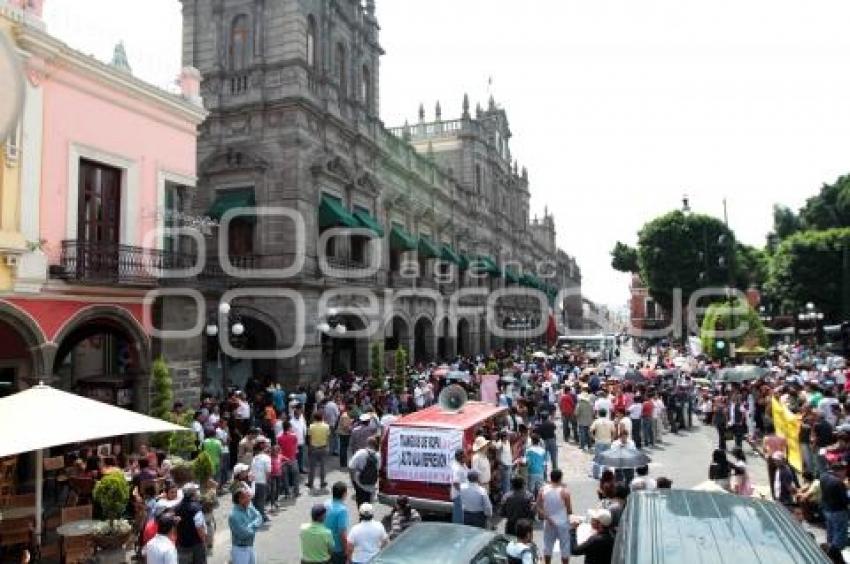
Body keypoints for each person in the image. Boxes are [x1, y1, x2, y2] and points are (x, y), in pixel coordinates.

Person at [537, 469, 572, 564]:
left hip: (549, 522)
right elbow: (569, 510)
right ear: (560, 478)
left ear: (550, 477)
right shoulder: (565, 492)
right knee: (565, 546)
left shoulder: (543, 489)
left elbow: (538, 506)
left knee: (547, 545)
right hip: (563, 522)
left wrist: (547, 517)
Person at [175, 484, 207, 563]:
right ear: (193, 493)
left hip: (182, 544)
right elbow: (199, 527)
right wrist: (204, 541)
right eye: (196, 491)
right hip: (196, 545)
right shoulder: (196, 508)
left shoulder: (177, 507)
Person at [228, 489, 263, 564]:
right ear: (238, 500)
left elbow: (259, 517)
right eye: (244, 497)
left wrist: (250, 526)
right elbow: (244, 534)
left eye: (248, 497)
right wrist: (255, 526)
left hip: (250, 547)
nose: (248, 499)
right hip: (240, 551)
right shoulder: (233, 515)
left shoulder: (249, 508)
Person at [820, 461, 849, 552]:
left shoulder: (823, 476)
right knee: (840, 533)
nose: (845, 474)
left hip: (827, 509)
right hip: (838, 511)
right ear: (839, 471)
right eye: (844, 472)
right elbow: (845, 500)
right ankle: (834, 552)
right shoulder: (838, 483)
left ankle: (829, 544)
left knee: (830, 529)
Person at [349, 437, 380, 507]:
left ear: (367, 443)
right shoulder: (378, 455)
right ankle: (368, 515)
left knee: (360, 503)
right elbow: (379, 469)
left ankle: (361, 515)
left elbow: (351, 467)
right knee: (369, 505)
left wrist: (353, 481)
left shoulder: (360, 453)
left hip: (359, 483)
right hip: (371, 484)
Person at [324, 482, 350, 564]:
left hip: (325, 545)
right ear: (344, 494)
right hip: (337, 548)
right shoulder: (342, 510)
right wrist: (346, 550)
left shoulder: (326, 503)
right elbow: (342, 533)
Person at [308, 412, 331, 492]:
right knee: (323, 467)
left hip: (314, 448)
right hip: (323, 448)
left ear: (315, 418)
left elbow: (310, 439)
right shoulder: (326, 426)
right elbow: (328, 438)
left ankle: (311, 483)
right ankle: (322, 482)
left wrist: (310, 448)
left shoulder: (311, 426)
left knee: (312, 467)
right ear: (322, 418)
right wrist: (328, 447)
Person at [277, 420, 300, 499]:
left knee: (285, 477)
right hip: (292, 458)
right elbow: (296, 448)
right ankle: (296, 492)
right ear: (289, 427)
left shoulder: (279, 438)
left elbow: (279, 449)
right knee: (295, 475)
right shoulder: (294, 437)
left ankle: (287, 493)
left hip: (283, 460)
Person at [590, 409, 615, 479]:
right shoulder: (610, 422)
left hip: (599, 441)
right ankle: (605, 474)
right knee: (606, 459)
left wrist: (594, 438)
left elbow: (591, 430)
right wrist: (612, 439)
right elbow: (614, 431)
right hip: (608, 442)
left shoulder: (596, 421)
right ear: (606, 414)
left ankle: (596, 475)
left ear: (599, 414)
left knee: (598, 458)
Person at [250, 442, 271, 523]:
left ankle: (256, 517)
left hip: (254, 481)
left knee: (255, 501)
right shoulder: (266, 458)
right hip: (262, 481)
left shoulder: (254, 458)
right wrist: (267, 482)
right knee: (261, 501)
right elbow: (268, 472)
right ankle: (262, 517)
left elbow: (252, 471)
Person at [450, 448, 468, 524]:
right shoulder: (457, 468)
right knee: (459, 516)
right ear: (461, 457)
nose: (466, 457)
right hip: (458, 495)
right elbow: (455, 483)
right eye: (465, 456)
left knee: (462, 515)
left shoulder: (462, 464)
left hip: (462, 494)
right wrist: (463, 492)